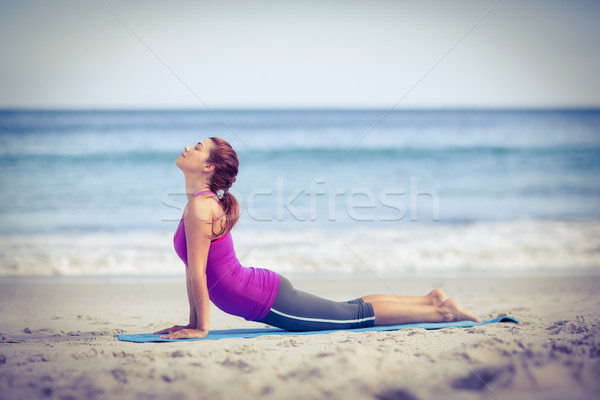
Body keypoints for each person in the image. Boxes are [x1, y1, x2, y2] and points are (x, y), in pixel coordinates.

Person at [155, 137, 481, 339]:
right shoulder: (201, 204)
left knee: (353, 318)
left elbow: (198, 273)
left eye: (196, 147)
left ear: (209, 166)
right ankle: (431, 301)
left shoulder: (201, 206)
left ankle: (442, 312)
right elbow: (196, 271)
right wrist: (192, 324)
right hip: (258, 291)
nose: (187, 147)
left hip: (263, 299)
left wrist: (199, 328)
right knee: (348, 309)